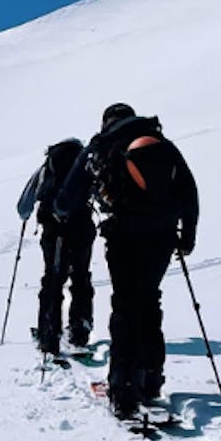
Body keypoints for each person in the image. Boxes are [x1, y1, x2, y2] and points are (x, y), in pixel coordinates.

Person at [55, 103, 198, 417]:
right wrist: (187, 235)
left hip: (124, 237)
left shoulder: (100, 147)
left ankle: (124, 391)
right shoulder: (162, 144)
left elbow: (68, 197)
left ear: (107, 122)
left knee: (126, 307)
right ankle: (150, 380)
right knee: (149, 300)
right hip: (162, 236)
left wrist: (62, 211)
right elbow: (189, 190)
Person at [16, 138, 97, 355]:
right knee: (81, 276)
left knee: (53, 278)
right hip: (82, 226)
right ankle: (80, 330)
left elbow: (23, 207)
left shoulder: (46, 168)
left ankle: (49, 335)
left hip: (53, 230)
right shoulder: (86, 165)